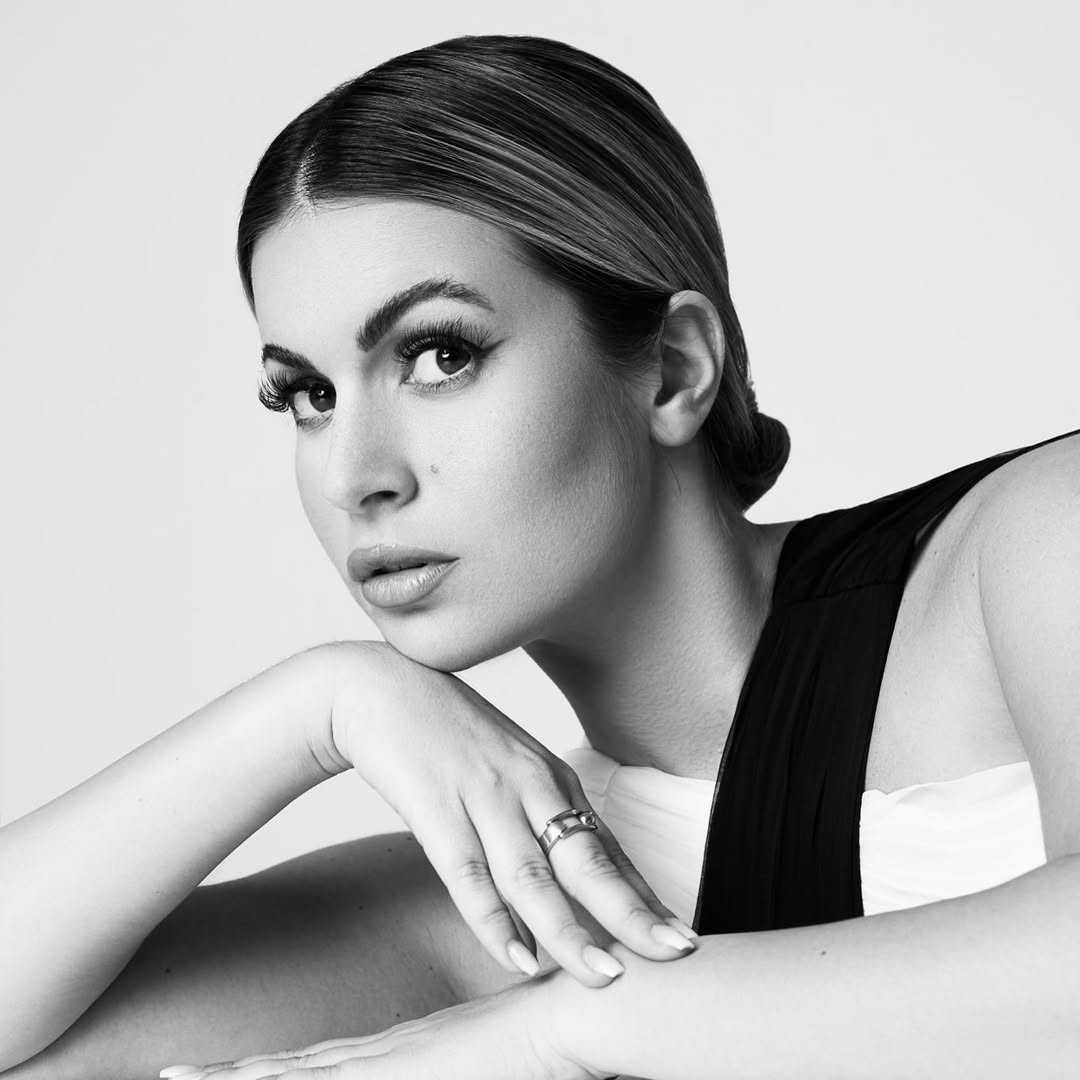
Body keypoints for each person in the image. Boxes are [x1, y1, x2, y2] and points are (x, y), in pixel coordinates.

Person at [1, 32, 1077, 1080]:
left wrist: (564, 1033)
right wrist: (318, 704)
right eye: (310, 396)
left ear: (672, 369)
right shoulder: (520, 903)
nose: (354, 475)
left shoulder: (1029, 543)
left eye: (440, 354)